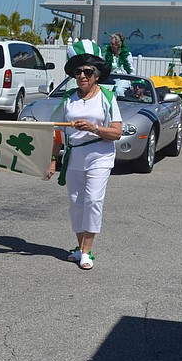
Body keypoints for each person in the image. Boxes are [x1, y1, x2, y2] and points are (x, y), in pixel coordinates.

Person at [46, 39, 122, 270]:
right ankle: (79, 248)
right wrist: (51, 161)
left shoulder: (107, 97)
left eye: (88, 71)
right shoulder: (68, 99)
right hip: (74, 156)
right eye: (78, 72)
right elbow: (57, 132)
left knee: (93, 200)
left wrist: (94, 128)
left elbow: (117, 132)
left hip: (100, 155)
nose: (82, 76)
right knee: (76, 203)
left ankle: (87, 251)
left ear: (96, 75)